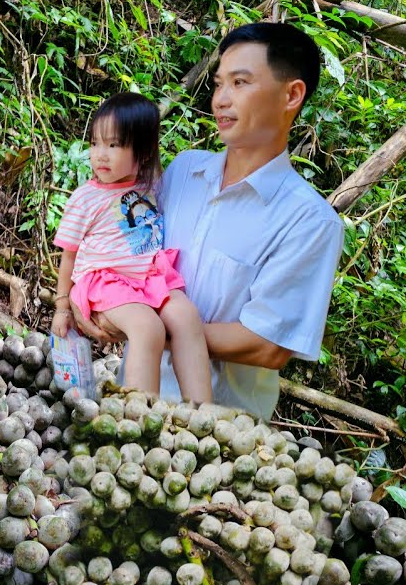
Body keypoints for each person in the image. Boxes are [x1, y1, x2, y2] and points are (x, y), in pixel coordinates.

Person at [72, 23, 345, 420]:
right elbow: (126, 249)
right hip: (130, 406)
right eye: (219, 84)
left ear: (292, 95)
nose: (221, 99)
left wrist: (146, 326)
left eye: (240, 83)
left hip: (218, 440)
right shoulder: (183, 172)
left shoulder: (308, 221)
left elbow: (267, 345)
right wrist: (94, 301)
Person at [50, 93, 213, 405]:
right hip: (107, 282)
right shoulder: (85, 198)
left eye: (114, 145)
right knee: (147, 328)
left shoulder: (150, 184)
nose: (101, 154)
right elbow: (68, 255)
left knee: (187, 317)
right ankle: (139, 419)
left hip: (150, 278)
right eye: (96, 143)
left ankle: (202, 412)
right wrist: (61, 306)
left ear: (142, 152)